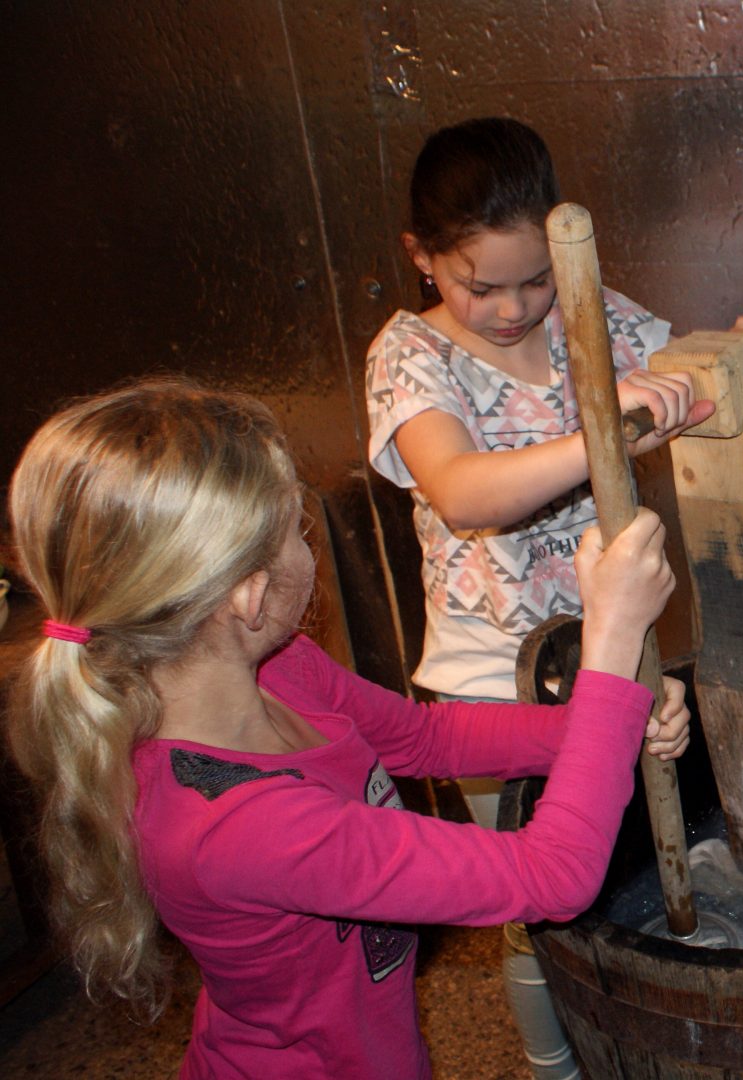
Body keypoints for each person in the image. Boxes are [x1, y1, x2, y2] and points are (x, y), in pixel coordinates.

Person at [4, 377, 691, 1080]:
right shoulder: (240, 829)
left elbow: (429, 740)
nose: (309, 548)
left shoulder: (277, 669)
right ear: (249, 594)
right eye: (295, 532)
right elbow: (553, 876)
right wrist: (611, 643)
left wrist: (607, 722)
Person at [364, 115, 743, 1078]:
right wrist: (610, 424)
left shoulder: (583, 311)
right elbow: (464, 490)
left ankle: (622, 1043)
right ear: (423, 258)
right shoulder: (410, 356)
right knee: (530, 904)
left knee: (606, 872)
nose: (515, 307)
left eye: (535, 281)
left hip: (617, 649)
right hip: (492, 673)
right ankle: (553, 1066)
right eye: (482, 284)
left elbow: (681, 375)